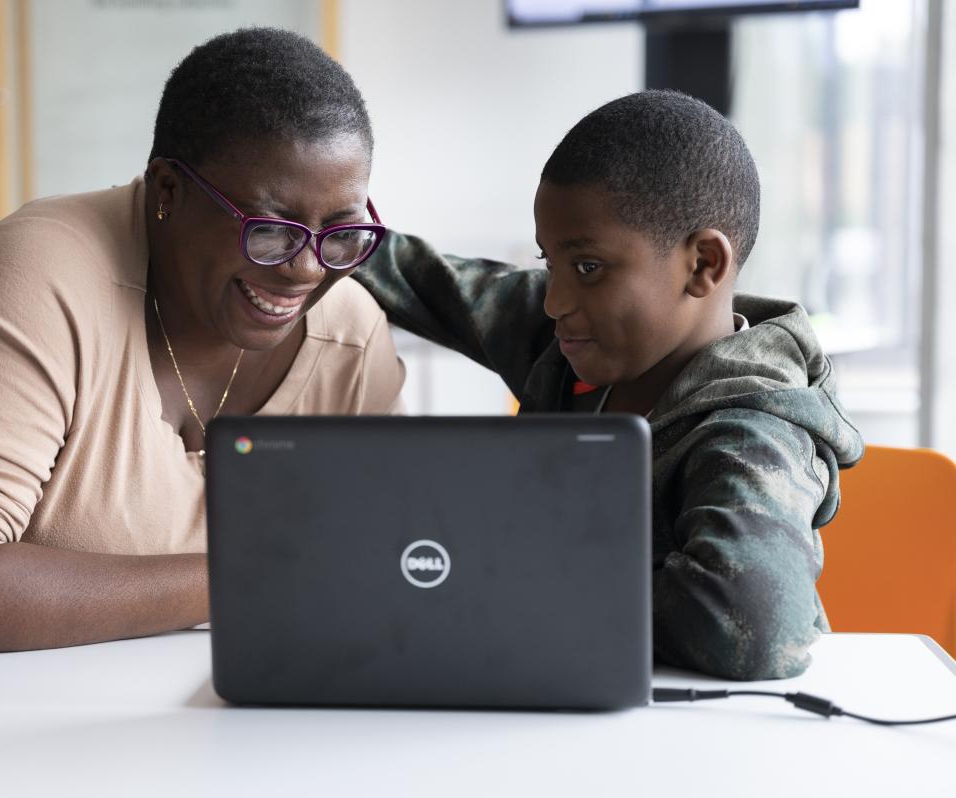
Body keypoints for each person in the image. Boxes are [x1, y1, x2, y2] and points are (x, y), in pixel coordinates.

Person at [0, 28, 403, 795]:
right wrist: (257, 577)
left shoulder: (347, 337)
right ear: (167, 191)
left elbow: (359, 564)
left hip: (110, 677)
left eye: (342, 234)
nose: (304, 268)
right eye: (269, 228)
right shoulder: (37, 280)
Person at [354, 90, 864, 681]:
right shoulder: (578, 337)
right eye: (550, 264)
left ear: (703, 264)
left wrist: (509, 582)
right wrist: (327, 235)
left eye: (588, 267)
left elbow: (750, 625)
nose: (555, 300)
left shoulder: (752, 430)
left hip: (700, 746)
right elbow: (433, 284)